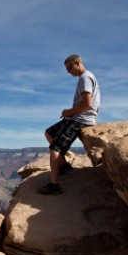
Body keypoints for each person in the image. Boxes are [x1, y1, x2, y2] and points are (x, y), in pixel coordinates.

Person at [38, 54, 100, 195]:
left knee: (55, 148)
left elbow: (87, 103)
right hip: (76, 117)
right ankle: (64, 165)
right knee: (49, 132)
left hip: (81, 120)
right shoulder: (84, 78)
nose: (69, 72)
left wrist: (70, 112)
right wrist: (70, 113)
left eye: (69, 68)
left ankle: (55, 185)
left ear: (78, 63)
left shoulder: (85, 77)